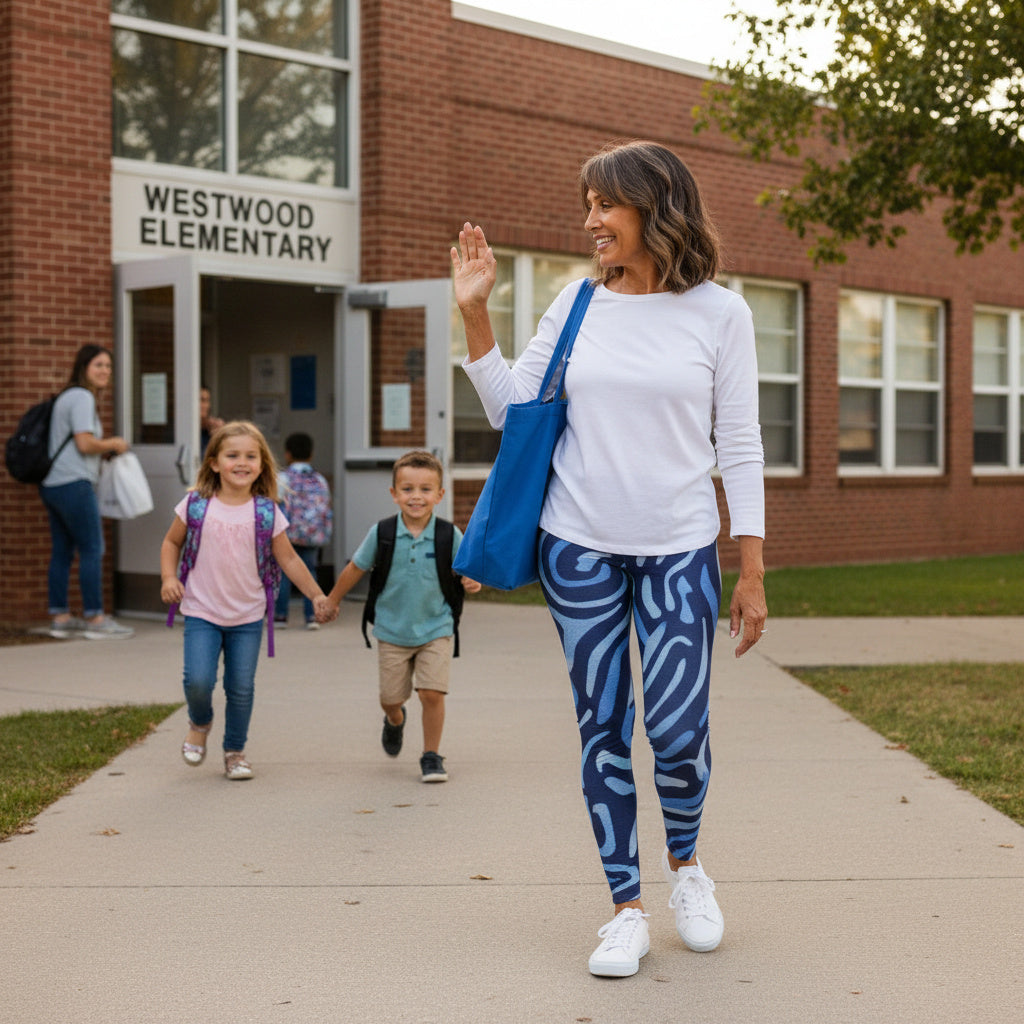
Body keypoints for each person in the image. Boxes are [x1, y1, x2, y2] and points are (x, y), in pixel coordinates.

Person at [451, 140, 767, 977]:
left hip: (678, 550)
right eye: (585, 203)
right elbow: (517, 409)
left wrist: (753, 568)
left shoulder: (720, 314)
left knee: (677, 729)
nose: (589, 220)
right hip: (578, 546)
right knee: (603, 728)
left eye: (604, 205)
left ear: (654, 208)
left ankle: (688, 870)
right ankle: (624, 906)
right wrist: (477, 315)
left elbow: (738, 444)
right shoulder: (577, 304)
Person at [159, 420, 334, 781]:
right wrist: (168, 577)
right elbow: (171, 542)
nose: (242, 462)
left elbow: (288, 559)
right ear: (214, 462)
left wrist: (316, 595)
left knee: (240, 687)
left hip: (248, 616)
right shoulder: (195, 504)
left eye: (251, 456)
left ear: (262, 465)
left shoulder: (267, 512)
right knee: (198, 681)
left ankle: (234, 751)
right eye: (232, 455)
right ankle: (200, 721)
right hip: (201, 611)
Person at [324, 450, 481, 783]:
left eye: (426, 489)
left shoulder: (447, 534)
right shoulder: (381, 533)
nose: (416, 497)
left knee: (432, 693)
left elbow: (468, 569)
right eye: (408, 489)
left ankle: (431, 755)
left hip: (436, 627)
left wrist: (471, 579)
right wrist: (332, 601)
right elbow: (355, 568)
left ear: (440, 494)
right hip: (392, 631)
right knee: (391, 699)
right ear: (394, 494)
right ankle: (395, 720)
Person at [40, 344, 135, 640]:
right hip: (75, 484)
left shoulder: (67, 397)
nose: (105, 371)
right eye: (98, 365)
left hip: (53, 484)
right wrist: (114, 444)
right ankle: (95, 618)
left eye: (108, 366)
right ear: (83, 368)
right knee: (93, 548)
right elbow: (84, 443)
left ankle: (61, 616)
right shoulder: (81, 397)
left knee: (63, 552)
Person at [274, 432, 333, 631]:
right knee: (310, 572)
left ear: (287, 454)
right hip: (312, 535)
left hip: (287, 533)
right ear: (311, 454)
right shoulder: (320, 480)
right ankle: (312, 616)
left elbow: (274, 502)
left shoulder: (282, 478)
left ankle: (280, 616)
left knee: (282, 573)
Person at [199, 385, 224, 455]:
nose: (206, 405)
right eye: (202, 400)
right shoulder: (182, 431)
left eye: (207, 400)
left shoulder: (213, 427)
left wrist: (221, 435)